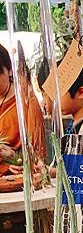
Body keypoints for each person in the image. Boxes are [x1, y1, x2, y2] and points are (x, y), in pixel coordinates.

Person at [0, 43, 46, 176]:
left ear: (9, 70)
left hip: (15, 181)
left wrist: (14, 158)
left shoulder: (26, 101)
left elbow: (38, 158)